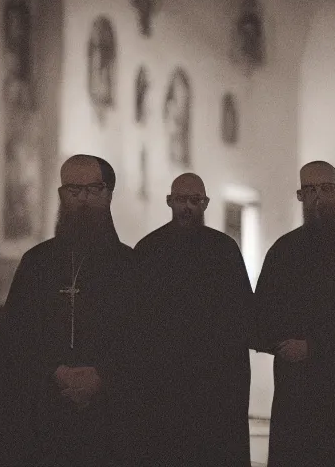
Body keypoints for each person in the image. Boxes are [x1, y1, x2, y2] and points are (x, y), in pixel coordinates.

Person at [0, 154, 151, 466]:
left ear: (108, 194)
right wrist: (55, 371)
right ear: (60, 194)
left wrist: (102, 375)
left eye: (92, 190)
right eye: (73, 190)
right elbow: (15, 335)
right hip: (44, 412)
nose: (82, 199)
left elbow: (145, 340)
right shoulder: (35, 263)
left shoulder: (130, 265)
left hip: (111, 415)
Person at [133, 173, 253, 466]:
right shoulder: (148, 250)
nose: (187, 207)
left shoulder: (225, 250)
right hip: (163, 385)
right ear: (169, 202)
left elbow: (243, 315)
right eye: (181, 200)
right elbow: (135, 322)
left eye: (195, 200)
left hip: (216, 387)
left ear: (206, 203)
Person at [255, 161, 335, 466]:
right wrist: (280, 344)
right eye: (310, 189)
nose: (318, 196)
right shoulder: (282, 251)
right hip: (297, 395)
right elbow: (259, 320)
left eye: (326, 189)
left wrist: (314, 347)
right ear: (299, 196)